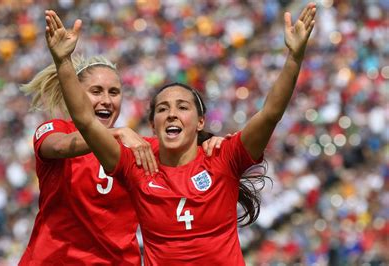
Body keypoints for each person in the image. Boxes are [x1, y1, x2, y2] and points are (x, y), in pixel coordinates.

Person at [45, 2, 316, 264]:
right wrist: (63, 62)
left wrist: (294, 58)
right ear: (153, 125)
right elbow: (86, 122)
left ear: (200, 122)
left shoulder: (224, 157)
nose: (172, 113)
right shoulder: (137, 162)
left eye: (182, 107)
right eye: (162, 109)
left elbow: (270, 114)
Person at [18, 49, 228, 265]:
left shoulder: (139, 146)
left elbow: (187, 147)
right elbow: (61, 147)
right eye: (96, 91)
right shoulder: (55, 129)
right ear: (76, 96)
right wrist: (115, 133)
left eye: (114, 92)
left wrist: (212, 143)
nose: (107, 100)